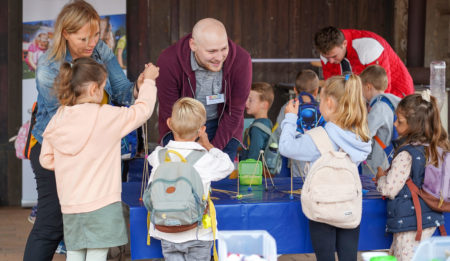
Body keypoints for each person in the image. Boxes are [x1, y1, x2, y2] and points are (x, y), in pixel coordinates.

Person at [24, 1, 148, 260]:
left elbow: (123, 91)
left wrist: (139, 87)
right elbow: (64, 122)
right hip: (57, 148)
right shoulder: (49, 67)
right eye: (84, 37)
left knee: (88, 222)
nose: (92, 42)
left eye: (95, 34)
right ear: (66, 33)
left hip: (90, 147)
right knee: (52, 222)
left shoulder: (101, 49)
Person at [39, 57, 158, 261]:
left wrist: (73, 163)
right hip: (102, 203)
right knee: (97, 255)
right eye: (103, 87)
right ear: (94, 89)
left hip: (71, 204)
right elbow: (143, 111)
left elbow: (46, 159)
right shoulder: (107, 116)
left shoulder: (59, 117)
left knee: (75, 254)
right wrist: (148, 82)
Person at [279, 74, 372, 261]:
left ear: (329, 102)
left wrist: (290, 118)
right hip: (349, 206)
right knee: (349, 257)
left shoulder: (317, 138)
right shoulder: (360, 138)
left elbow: (286, 147)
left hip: (323, 208)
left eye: (320, 100)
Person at [147, 97, 234, 261]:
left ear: (169, 123)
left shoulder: (158, 156)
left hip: (166, 230)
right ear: (201, 130)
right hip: (198, 232)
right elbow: (228, 165)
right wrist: (208, 146)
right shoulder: (204, 159)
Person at [156, 18, 252, 161]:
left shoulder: (242, 60)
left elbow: (235, 111)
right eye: (212, 51)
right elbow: (170, 112)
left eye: (224, 49)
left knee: (216, 177)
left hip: (224, 125)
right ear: (193, 45)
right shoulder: (169, 61)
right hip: (182, 125)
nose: (219, 57)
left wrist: (211, 151)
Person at [375, 92, 447, 261]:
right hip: (430, 219)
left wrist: (380, 177)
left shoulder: (406, 154)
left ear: (414, 126)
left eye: (399, 121)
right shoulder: (437, 148)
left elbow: (389, 188)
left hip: (410, 224)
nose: (394, 123)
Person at [314, 26, 414, 98]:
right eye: (326, 57)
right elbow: (333, 86)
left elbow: (381, 89)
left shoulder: (369, 47)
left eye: (334, 56)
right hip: (364, 97)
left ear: (344, 44)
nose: (330, 61)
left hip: (398, 94)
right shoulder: (327, 54)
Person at [275, 69, 321, 177]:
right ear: (316, 91)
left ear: (295, 90)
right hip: (319, 162)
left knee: (297, 188)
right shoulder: (324, 109)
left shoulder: (288, 107)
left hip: (295, 161)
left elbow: (279, 134)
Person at [360, 65, 400, 176]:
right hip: (386, 156)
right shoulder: (388, 102)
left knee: (374, 188)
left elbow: (366, 133)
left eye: (361, 89)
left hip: (379, 160)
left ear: (368, 87)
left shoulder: (379, 107)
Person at [241, 82, 274, 161]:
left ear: (264, 105)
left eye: (250, 100)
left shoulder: (257, 129)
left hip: (251, 171)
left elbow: (254, 156)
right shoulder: (267, 123)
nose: (246, 103)